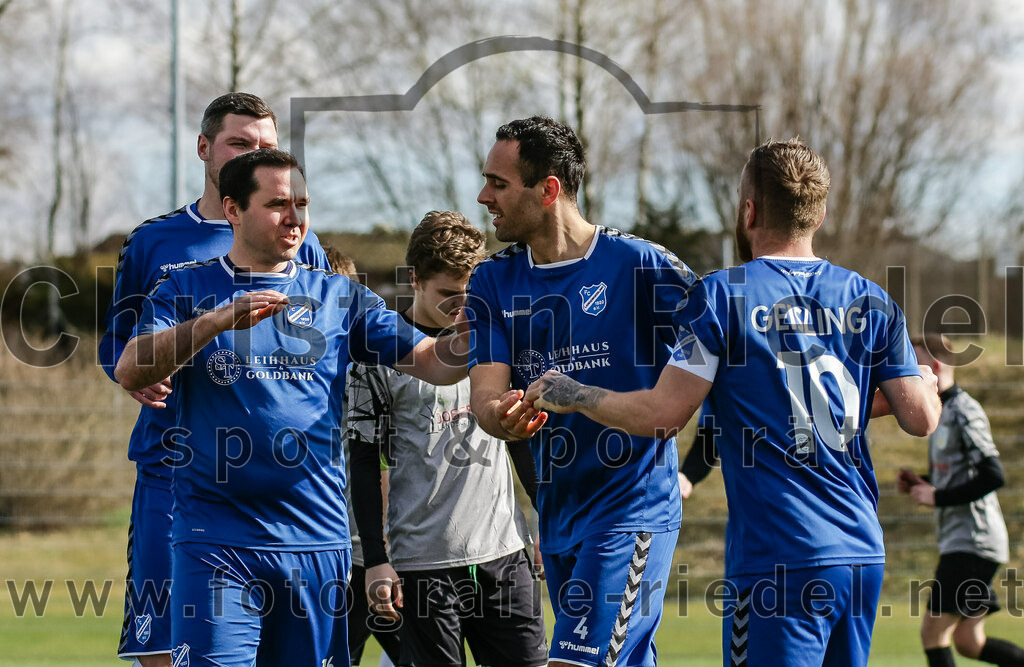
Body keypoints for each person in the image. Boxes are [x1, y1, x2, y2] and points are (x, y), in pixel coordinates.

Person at [524, 138, 943, 667]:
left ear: (748, 210)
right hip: (860, 556)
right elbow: (921, 417)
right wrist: (926, 385)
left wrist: (576, 393)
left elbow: (662, 416)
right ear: (819, 214)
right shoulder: (871, 298)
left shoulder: (723, 296)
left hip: (778, 561)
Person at [114, 148, 468, 667]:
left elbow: (435, 362)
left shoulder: (339, 296)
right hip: (216, 542)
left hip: (316, 545)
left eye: (302, 203)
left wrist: (483, 323)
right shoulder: (185, 287)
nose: (295, 218)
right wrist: (211, 325)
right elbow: (130, 368)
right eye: (279, 203)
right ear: (233, 210)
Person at [97, 93, 330, 666]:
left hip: (272, 486)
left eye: (267, 145)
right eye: (240, 143)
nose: (255, 152)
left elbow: (323, 342)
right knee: (162, 648)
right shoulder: (154, 242)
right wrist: (135, 377)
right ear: (205, 148)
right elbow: (117, 346)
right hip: (173, 472)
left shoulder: (305, 245)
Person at [465, 116, 694, 666]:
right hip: (559, 518)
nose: (483, 196)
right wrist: (503, 416)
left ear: (549, 190)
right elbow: (486, 399)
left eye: (499, 184)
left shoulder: (643, 267)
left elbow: (724, 349)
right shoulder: (492, 281)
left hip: (630, 510)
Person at [347, 210, 547, 667]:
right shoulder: (379, 354)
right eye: (447, 296)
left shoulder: (494, 343)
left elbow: (517, 438)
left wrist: (547, 517)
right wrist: (377, 559)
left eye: (469, 297)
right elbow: (363, 461)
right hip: (423, 568)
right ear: (414, 279)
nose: (461, 309)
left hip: (504, 554)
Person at [898, 334, 1024, 667]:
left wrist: (938, 497)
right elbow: (956, 476)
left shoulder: (964, 411)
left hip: (972, 543)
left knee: (933, 635)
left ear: (935, 366)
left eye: (915, 363)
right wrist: (922, 482)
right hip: (968, 543)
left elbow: (993, 474)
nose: (907, 372)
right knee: (969, 642)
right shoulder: (940, 410)